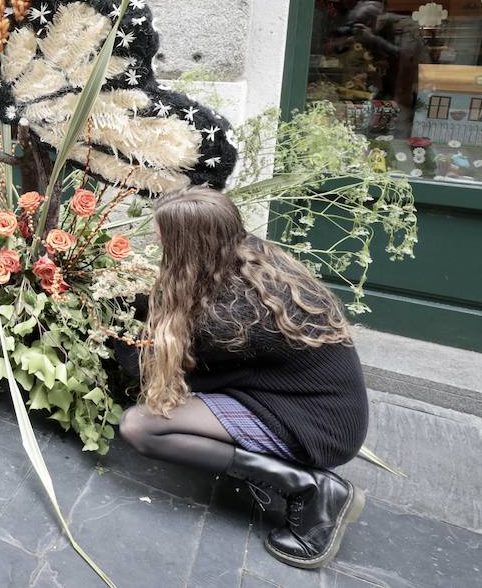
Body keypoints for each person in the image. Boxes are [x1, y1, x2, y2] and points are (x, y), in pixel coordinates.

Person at [114, 187, 368, 571]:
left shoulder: (232, 316)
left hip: (315, 424)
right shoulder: (250, 256)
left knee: (141, 427)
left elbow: (149, 367)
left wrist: (107, 328)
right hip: (312, 400)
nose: (155, 240)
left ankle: (311, 489)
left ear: (188, 246)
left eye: (162, 235)